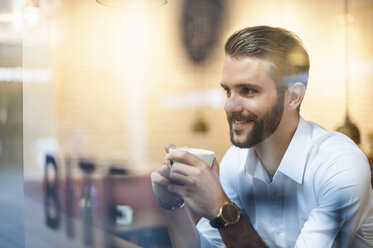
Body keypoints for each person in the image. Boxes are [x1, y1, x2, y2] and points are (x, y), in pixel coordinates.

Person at [150, 26, 373, 248]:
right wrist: (173, 203)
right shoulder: (235, 162)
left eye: (248, 91)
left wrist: (221, 208)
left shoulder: (340, 165)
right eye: (228, 91)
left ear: (293, 96)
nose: (230, 106)